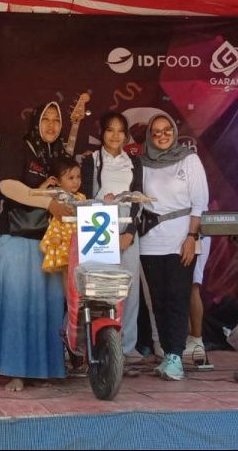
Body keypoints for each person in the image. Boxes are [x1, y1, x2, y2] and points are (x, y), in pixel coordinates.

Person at [0, 102, 71, 392]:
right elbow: (7, 187)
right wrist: (48, 203)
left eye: (57, 120)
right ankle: (15, 370)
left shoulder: (59, 155)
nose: (51, 125)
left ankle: (42, 369)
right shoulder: (18, 148)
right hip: (17, 239)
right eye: (46, 119)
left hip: (49, 242)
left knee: (47, 308)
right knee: (17, 306)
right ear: (35, 122)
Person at [78, 111, 157, 362]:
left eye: (120, 131)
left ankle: (126, 348)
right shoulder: (91, 160)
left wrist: (130, 233)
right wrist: (103, 205)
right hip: (97, 222)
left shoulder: (134, 162)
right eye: (110, 130)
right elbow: (84, 196)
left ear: (126, 135)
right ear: (102, 133)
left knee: (128, 288)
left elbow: (138, 197)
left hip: (127, 224)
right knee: (97, 287)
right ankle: (94, 347)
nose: (115, 135)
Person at [139, 113, 209, 381]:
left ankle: (177, 357)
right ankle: (168, 353)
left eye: (167, 129)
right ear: (149, 136)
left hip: (181, 238)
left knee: (179, 297)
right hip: (150, 241)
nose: (162, 135)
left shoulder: (189, 159)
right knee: (158, 301)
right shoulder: (143, 163)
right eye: (156, 132)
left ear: (174, 131)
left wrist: (192, 236)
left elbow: (200, 202)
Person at [40, 156, 85, 273]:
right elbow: (40, 194)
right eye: (71, 178)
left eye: (78, 177)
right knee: (66, 267)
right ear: (58, 181)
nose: (76, 181)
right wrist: (46, 183)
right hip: (61, 234)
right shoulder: (57, 194)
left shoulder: (81, 197)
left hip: (77, 235)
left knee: (76, 267)